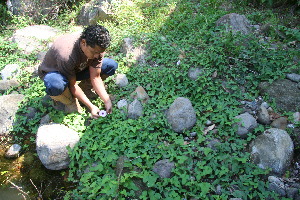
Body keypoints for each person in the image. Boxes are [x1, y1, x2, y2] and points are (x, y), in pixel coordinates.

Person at [38, 25, 118, 119]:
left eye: (99, 53)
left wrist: (107, 100)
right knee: (55, 84)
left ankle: (85, 89)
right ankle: (69, 101)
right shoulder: (67, 54)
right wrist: (91, 106)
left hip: (77, 69)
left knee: (110, 66)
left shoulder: (98, 47)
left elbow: (95, 77)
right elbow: (73, 85)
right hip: (56, 73)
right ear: (83, 42)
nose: (97, 56)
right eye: (94, 52)